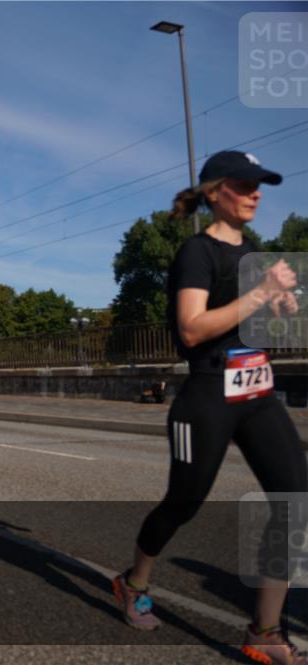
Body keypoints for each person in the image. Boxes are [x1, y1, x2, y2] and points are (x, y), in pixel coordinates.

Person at [112, 151, 306, 665]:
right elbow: (193, 328)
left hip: (258, 390)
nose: (256, 194)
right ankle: (133, 582)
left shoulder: (256, 250)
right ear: (216, 191)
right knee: (184, 503)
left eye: (260, 185)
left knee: (295, 500)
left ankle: (265, 632)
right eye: (245, 185)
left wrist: (283, 304)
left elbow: (262, 318)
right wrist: (262, 290)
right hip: (209, 392)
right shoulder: (196, 252)